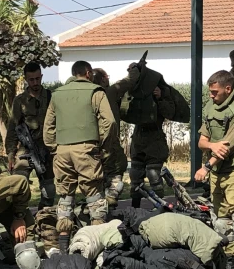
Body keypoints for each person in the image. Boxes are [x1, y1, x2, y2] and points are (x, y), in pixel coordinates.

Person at [43, 61, 115, 253]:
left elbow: (48, 126)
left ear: (74, 74)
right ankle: (97, 246)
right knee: (94, 197)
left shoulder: (57, 94)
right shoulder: (96, 92)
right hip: (87, 150)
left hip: (62, 151)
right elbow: (109, 122)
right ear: (88, 73)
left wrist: (54, 147)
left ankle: (63, 246)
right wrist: (103, 147)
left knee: (65, 197)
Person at [195, 70, 234, 269]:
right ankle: (230, 261)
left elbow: (229, 143)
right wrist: (211, 146)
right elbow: (202, 141)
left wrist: (207, 166)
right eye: (210, 92)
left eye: (215, 92)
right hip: (217, 175)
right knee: (221, 223)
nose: (211, 96)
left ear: (228, 89)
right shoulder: (211, 106)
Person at [5, 62, 55, 207]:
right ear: (26, 80)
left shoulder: (50, 97)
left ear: (41, 77)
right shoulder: (20, 101)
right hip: (26, 150)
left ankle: (44, 217)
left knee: (49, 191)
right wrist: (10, 153)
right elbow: (13, 127)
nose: (35, 83)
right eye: (31, 79)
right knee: (18, 185)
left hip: (46, 149)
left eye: (38, 78)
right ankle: (20, 216)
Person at [91, 65, 140, 208]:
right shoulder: (110, 93)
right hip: (110, 145)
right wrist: (135, 68)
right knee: (116, 177)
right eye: (107, 77)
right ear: (103, 80)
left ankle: (99, 207)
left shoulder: (87, 96)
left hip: (92, 146)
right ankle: (109, 203)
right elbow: (129, 81)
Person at [128, 73, 176, 209]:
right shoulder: (133, 91)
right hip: (138, 138)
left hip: (154, 139)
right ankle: (134, 208)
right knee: (135, 175)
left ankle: (160, 208)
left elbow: (170, 112)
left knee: (154, 175)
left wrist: (160, 97)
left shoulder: (161, 91)